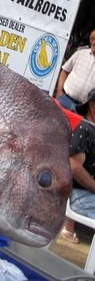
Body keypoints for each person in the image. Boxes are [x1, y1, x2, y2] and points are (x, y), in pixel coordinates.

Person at [60, 88, 95, 243]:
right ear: (93, 106)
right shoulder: (84, 129)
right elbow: (74, 167)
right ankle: (68, 228)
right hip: (77, 197)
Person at [55, 29, 95, 111]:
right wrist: (59, 91)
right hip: (64, 100)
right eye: (92, 39)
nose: (94, 42)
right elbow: (65, 71)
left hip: (84, 110)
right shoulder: (80, 53)